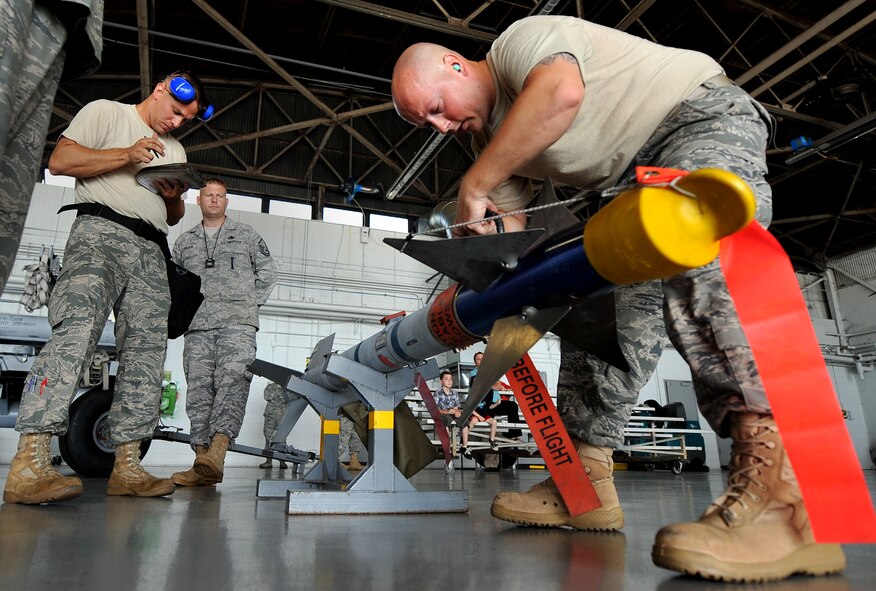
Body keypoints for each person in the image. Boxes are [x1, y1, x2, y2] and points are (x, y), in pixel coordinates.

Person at [391, 15, 846, 582]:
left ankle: (790, 502)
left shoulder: (517, 45)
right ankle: (582, 482)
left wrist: (473, 185)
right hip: (635, 176)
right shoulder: (497, 144)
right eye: (424, 123)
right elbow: (509, 238)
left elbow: (561, 92)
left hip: (698, 118)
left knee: (702, 254)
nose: (438, 126)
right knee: (597, 302)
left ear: (455, 66)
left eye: (435, 106)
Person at [3, 69, 210, 504]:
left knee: (148, 355)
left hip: (152, 251)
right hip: (99, 233)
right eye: (174, 113)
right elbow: (60, 162)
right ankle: (29, 463)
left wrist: (173, 195)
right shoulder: (106, 114)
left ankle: (128, 466)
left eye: (184, 121)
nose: (175, 124)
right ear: (159, 91)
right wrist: (128, 155)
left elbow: (172, 217)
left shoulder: (174, 148)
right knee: (74, 336)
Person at [170, 177, 278, 487]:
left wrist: (247, 305)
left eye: (220, 196)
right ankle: (202, 461)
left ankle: (218, 450)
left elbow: (268, 273)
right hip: (198, 326)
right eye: (209, 195)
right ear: (199, 201)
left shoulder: (245, 235)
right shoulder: (185, 242)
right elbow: (176, 284)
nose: (214, 200)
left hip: (237, 324)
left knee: (233, 380)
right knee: (199, 392)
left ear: (226, 202)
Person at [0, 1, 103, 296]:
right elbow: (59, 163)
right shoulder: (105, 112)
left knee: (8, 205)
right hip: (23, 12)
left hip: (62, 18)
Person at [470, 351, 523, 439]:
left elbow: (499, 386)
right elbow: (486, 385)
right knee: (484, 424)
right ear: (475, 362)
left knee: (513, 406)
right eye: (478, 359)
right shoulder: (474, 373)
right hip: (484, 405)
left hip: (496, 402)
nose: (481, 361)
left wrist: (493, 385)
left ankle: (513, 434)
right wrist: (493, 385)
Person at [259, 382, 288, 469]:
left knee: (281, 439)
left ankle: (282, 461)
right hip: (270, 416)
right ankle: (268, 461)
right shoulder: (271, 386)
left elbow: (289, 398)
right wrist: (278, 389)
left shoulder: (287, 386)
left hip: (282, 416)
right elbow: (267, 396)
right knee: (268, 438)